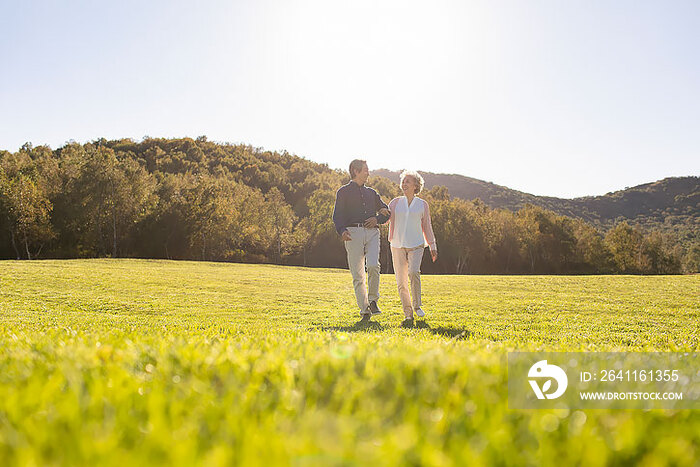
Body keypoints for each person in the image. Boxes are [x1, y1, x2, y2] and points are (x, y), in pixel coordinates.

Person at [332, 159, 390, 321]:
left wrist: (377, 219)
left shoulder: (372, 193)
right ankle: (364, 310)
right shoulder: (343, 192)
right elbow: (337, 216)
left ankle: (373, 301)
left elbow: (387, 212)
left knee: (373, 266)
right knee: (358, 274)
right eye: (365, 170)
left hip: (372, 233)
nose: (368, 172)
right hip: (352, 233)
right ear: (356, 171)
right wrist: (342, 230)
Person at [387, 170, 438, 328]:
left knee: (414, 272)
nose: (404, 184)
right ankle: (408, 313)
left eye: (408, 181)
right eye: (403, 181)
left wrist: (433, 245)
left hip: (416, 245)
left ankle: (417, 306)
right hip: (397, 245)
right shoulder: (395, 203)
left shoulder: (422, 205)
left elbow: (427, 226)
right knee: (401, 281)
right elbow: (385, 218)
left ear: (416, 185)